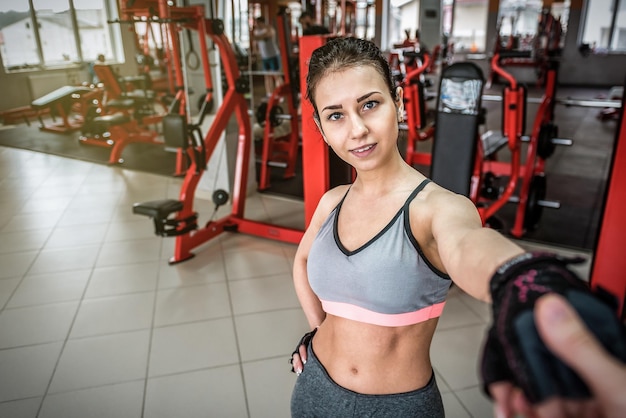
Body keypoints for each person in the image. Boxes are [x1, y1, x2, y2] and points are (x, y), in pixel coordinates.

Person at [288, 37, 624, 417]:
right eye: (336, 115)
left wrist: (521, 278)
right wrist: (319, 331)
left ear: (398, 102)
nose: (357, 129)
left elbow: (469, 245)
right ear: (319, 126)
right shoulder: (333, 201)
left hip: (395, 408)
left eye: (370, 104)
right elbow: (301, 264)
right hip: (313, 389)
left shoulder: (438, 208)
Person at [252, 16, 282, 96]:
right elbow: (255, 42)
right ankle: (269, 94)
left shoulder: (270, 29)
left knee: (276, 76)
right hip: (264, 57)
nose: (257, 25)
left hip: (273, 55)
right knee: (267, 76)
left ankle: (280, 93)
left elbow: (265, 36)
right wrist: (255, 51)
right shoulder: (256, 31)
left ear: (262, 23)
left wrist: (255, 38)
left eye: (258, 23)